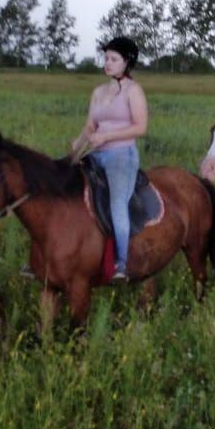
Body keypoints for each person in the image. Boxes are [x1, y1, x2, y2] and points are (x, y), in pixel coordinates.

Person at [72, 36, 149, 282]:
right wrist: (78, 145)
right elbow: (90, 126)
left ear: (127, 62)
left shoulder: (133, 91)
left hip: (121, 155)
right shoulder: (98, 92)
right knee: (67, 188)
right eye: (106, 58)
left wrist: (107, 136)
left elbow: (140, 127)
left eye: (114, 59)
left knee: (117, 202)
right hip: (96, 154)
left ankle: (121, 263)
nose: (108, 63)